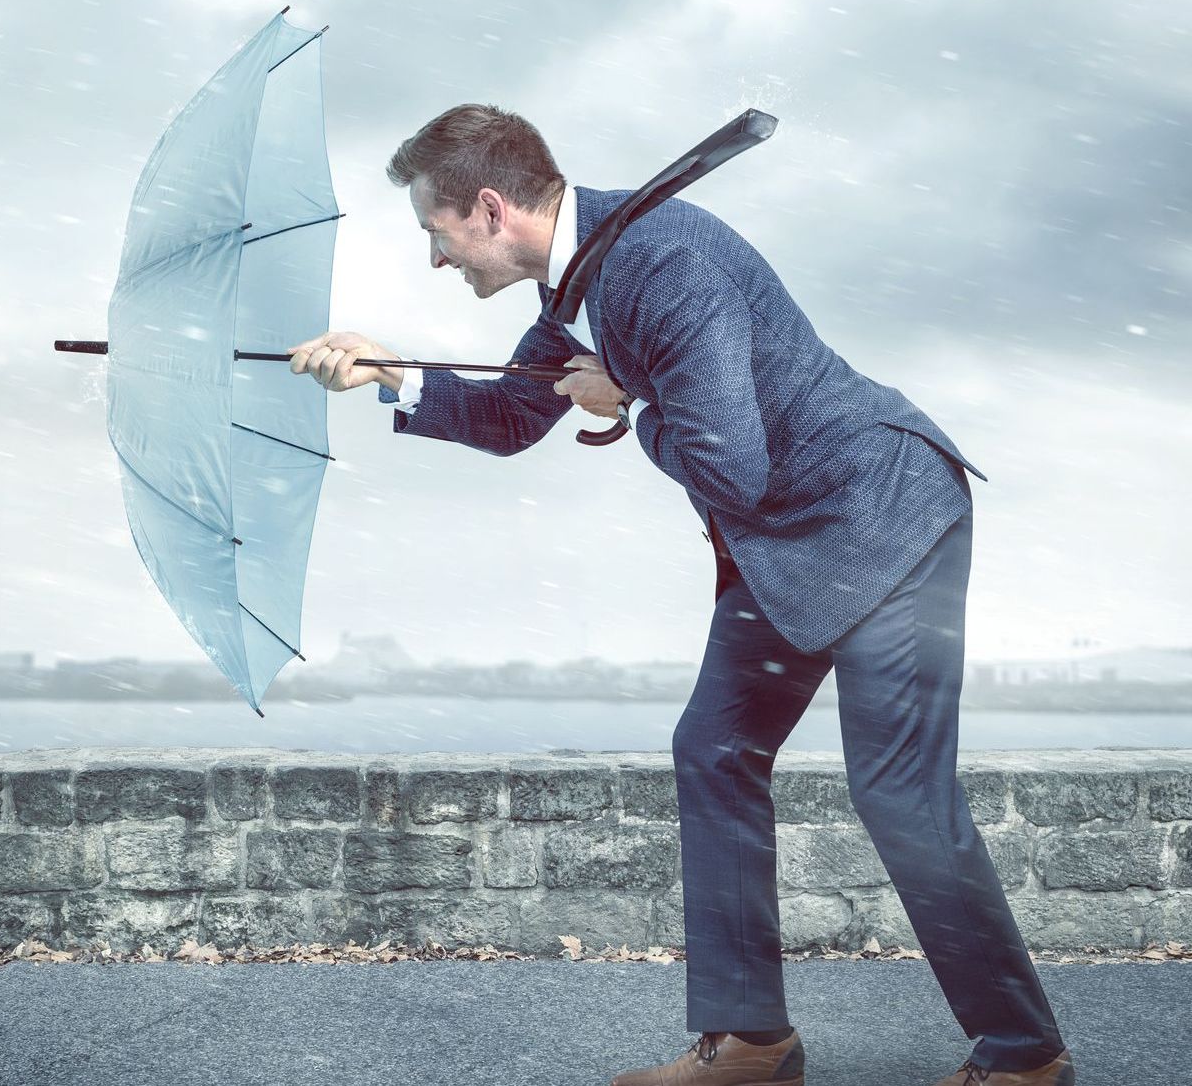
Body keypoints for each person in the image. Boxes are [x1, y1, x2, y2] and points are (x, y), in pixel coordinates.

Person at [286, 104, 1072, 1086]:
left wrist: (630, 403)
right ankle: (750, 1041)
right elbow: (510, 417)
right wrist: (389, 376)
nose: (438, 263)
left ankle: (1024, 1057)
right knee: (713, 748)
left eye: (433, 236)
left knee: (899, 791)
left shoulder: (662, 266)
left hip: (884, 522)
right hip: (784, 547)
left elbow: (728, 466)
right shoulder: (576, 291)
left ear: (487, 209)